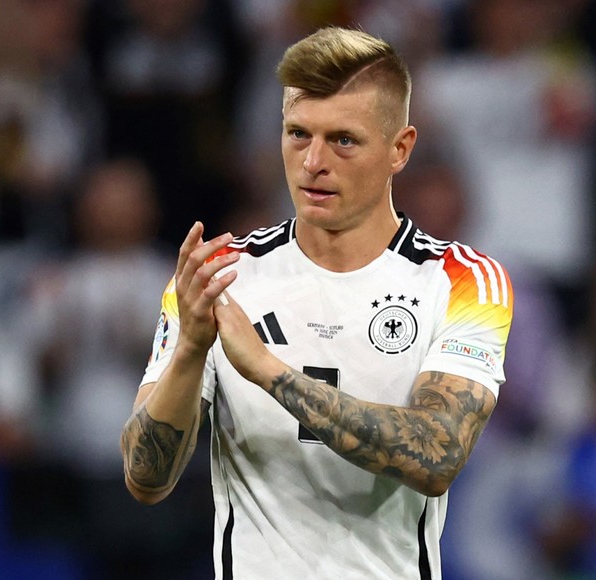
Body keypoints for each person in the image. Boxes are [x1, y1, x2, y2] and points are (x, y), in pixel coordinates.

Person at [120, 26, 514, 579]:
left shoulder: (462, 281)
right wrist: (188, 348)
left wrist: (269, 372)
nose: (312, 162)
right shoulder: (220, 276)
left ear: (400, 149)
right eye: (298, 134)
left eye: (343, 140)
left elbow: (438, 454)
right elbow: (145, 478)